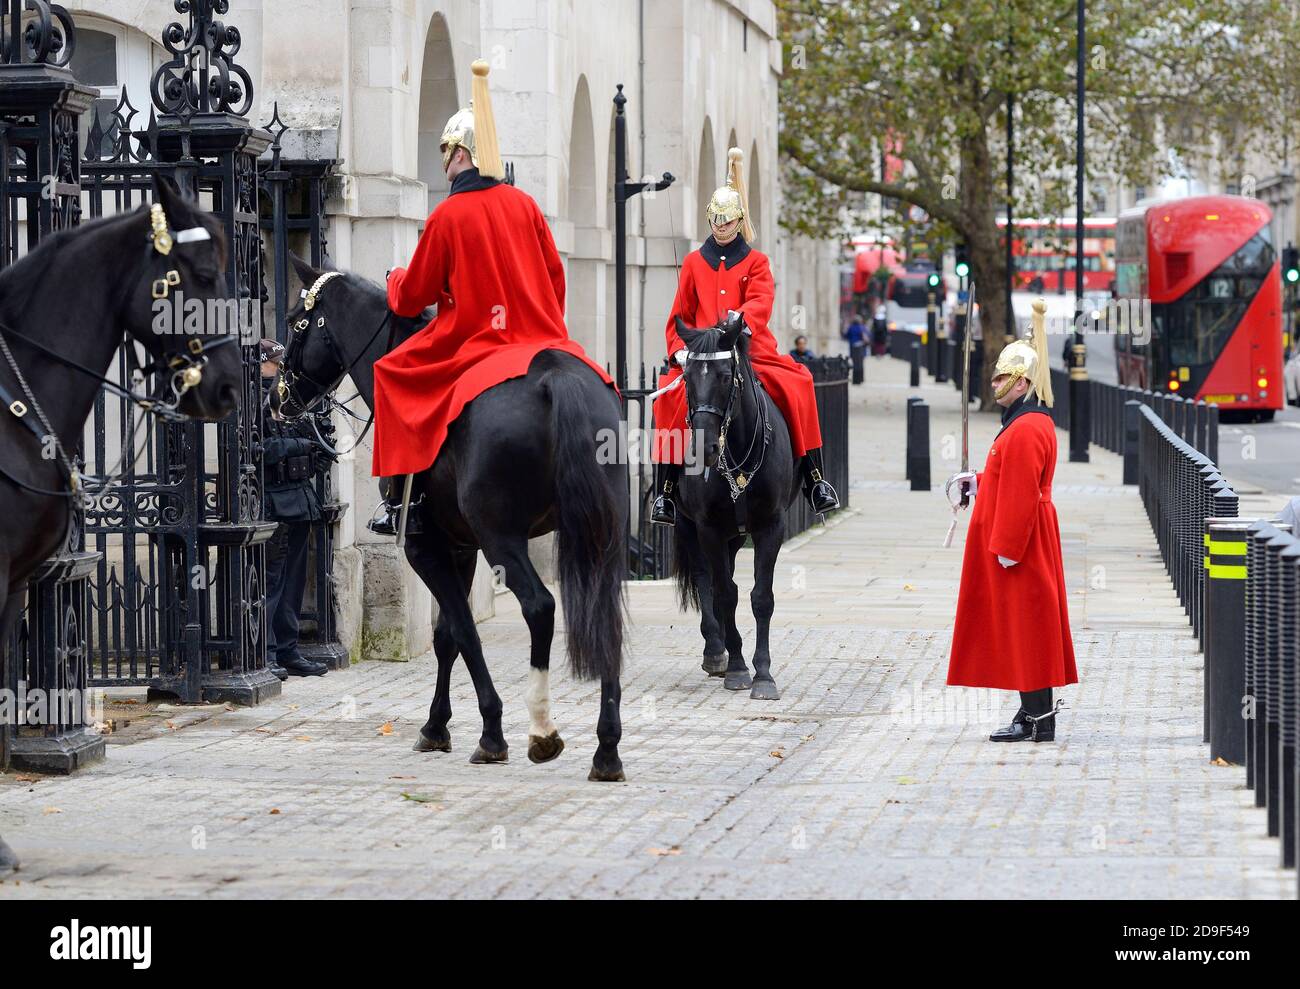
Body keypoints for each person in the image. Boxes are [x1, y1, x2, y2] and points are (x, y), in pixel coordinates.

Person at [367, 60, 614, 532]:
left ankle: (400, 502)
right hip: (541, 338)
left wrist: (395, 276)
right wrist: (537, 317)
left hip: (474, 343)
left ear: (462, 154)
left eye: (447, 150)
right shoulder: (526, 205)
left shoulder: (448, 214)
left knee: (391, 371)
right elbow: (555, 278)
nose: (445, 160)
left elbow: (412, 297)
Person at [649, 146, 839, 526]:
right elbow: (679, 316)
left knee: (798, 384)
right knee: (667, 398)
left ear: (738, 221)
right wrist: (681, 352)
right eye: (716, 222)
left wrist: (738, 322)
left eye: (727, 222)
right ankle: (666, 491)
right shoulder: (692, 263)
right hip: (703, 355)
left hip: (750, 350)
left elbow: (761, 300)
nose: (721, 229)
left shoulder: (757, 262)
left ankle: (815, 480)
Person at [946, 302, 1077, 742]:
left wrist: (1006, 547)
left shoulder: (1024, 429)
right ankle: (1030, 713)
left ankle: (1039, 720)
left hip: (1021, 542)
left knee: (1027, 627)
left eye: (1002, 378)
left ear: (1021, 382)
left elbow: (1021, 495)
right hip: (1026, 537)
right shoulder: (1025, 423)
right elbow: (1009, 480)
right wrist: (979, 482)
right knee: (1025, 627)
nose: (995, 383)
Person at [260, 339, 330, 678]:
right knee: (272, 582)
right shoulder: (253, 401)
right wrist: (298, 444)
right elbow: (259, 450)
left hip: (300, 502)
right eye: (276, 362)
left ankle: (288, 651)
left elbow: (309, 438)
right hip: (273, 502)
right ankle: (268, 653)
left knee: (293, 582)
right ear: (262, 364)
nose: (282, 367)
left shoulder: (289, 397)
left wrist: (316, 445)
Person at [844, 313, 866, 384]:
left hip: (853, 347)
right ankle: (861, 379)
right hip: (861, 347)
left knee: (855, 364)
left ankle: (855, 380)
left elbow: (846, 336)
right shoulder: (862, 327)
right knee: (860, 364)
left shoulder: (851, 327)